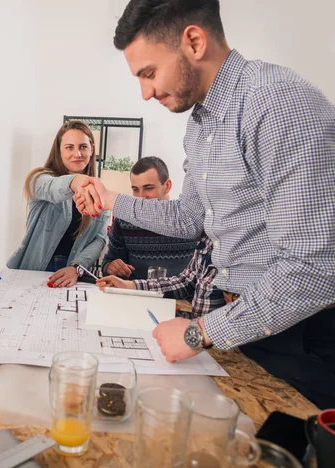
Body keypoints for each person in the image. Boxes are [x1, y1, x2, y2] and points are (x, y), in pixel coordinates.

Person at [75, 0, 335, 408]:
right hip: (245, 325)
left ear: (193, 41)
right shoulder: (200, 127)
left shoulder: (278, 103)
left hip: (300, 334)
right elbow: (187, 218)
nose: (145, 93)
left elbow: (314, 268)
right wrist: (110, 199)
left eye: (149, 72)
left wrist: (200, 332)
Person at [7, 121, 109, 287]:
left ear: (91, 149)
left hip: (73, 275)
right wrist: (77, 181)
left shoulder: (99, 192)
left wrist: (76, 268)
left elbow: (99, 239)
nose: (77, 153)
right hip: (33, 271)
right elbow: (52, 189)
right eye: (69, 147)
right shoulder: (39, 178)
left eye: (83, 147)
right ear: (59, 151)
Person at [102, 156, 197, 280]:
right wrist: (110, 266)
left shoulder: (190, 220)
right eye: (135, 189)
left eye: (148, 188)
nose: (141, 197)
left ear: (167, 186)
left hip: (180, 297)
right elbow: (108, 263)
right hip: (134, 296)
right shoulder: (123, 221)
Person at [98, 233, 225, 318]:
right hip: (197, 333)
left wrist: (199, 333)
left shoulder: (237, 243)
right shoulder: (208, 239)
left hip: (220, 347)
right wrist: (129, 285)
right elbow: (186, 281)